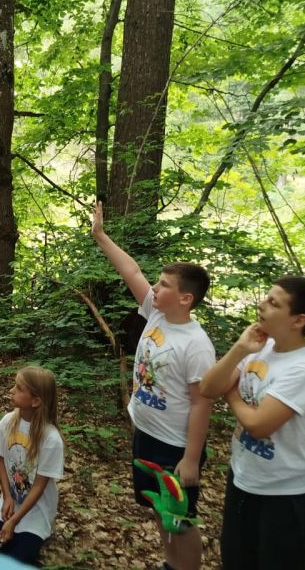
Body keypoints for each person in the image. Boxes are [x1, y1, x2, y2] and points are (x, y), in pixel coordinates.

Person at [91, 203, 214, 570]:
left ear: (186, 298)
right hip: (146, 434)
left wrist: (190, 458)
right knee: (160, 509)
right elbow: (130, 269)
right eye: (158, 282)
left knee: (180, 518)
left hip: (174, 447)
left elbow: (202, 403)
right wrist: (100, 235)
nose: (155, 287)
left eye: (164, 285)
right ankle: (170, 563)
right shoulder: (157, 313)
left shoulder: (197, 345)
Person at [200, 276, 305, 570]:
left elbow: (258, 425)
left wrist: (232, 395)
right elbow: (208, 387)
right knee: (236, 561)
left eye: (274, 303)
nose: (262, 304)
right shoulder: (260, 347)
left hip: (286, 493)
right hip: (244, 477)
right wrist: (239, 349)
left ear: (299, 320)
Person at [0, 366, 64, 566]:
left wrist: (14, 521)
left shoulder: (51, 438)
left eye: (19, 388)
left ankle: (41, 533)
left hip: (35, 510)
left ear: (36, 401)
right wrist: (7, 497)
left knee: (18, 560)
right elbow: (1, 460)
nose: (12, 390)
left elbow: (39, 485)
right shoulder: (8, 422)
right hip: (11, 501)